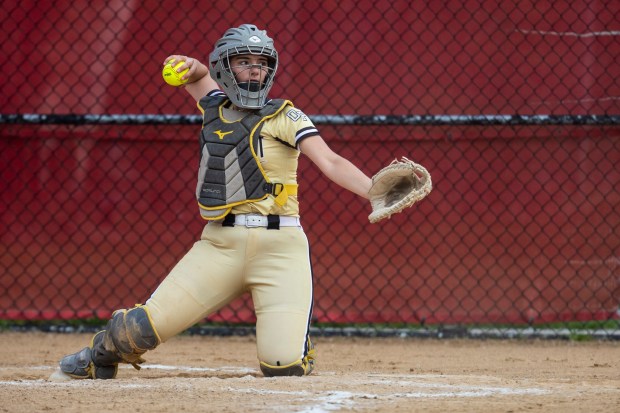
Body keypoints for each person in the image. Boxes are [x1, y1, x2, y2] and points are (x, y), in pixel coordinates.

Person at [54, 23, 372, 380]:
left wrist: (373, 189)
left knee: (283, 366)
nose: (255, 69)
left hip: (281, 249)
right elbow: (198, 76)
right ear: (224, 67)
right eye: (244, 61)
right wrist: (191, 64)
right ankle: (99, 353)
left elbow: (331, 161)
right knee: (142, 328)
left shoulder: (285, 116)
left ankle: (297, 345)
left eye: (262, 62)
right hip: (221, 244)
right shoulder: (214, 108)